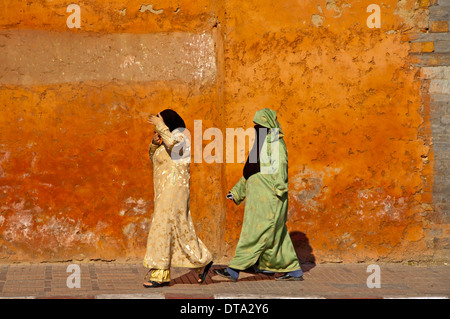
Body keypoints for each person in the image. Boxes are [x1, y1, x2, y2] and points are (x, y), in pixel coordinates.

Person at [215, 108, 303, 282]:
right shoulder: (260, 145)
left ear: (269, 126)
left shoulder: (276, 145)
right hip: (257, 201)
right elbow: (250, 172)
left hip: (270, 199)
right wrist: (236, 192)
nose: (257, 129)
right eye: (256, 126)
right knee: (276, 235)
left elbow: (281, 170)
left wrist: (279, 191)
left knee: (254, 234)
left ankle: (234, 269)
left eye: (261, 125)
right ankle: (290, 270)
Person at [143, 109, 213, 288]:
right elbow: (155, 159)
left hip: (175, 190)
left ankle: (159, 273)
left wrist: (161, 127)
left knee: (163, 227)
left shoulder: (181, 137)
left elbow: (174, 148)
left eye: (161, 121)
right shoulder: (164, 140)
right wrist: (153, 144)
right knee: (180, 227)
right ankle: (202, 261)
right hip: (163, 191)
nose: (158, 126)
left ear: (168, 122)